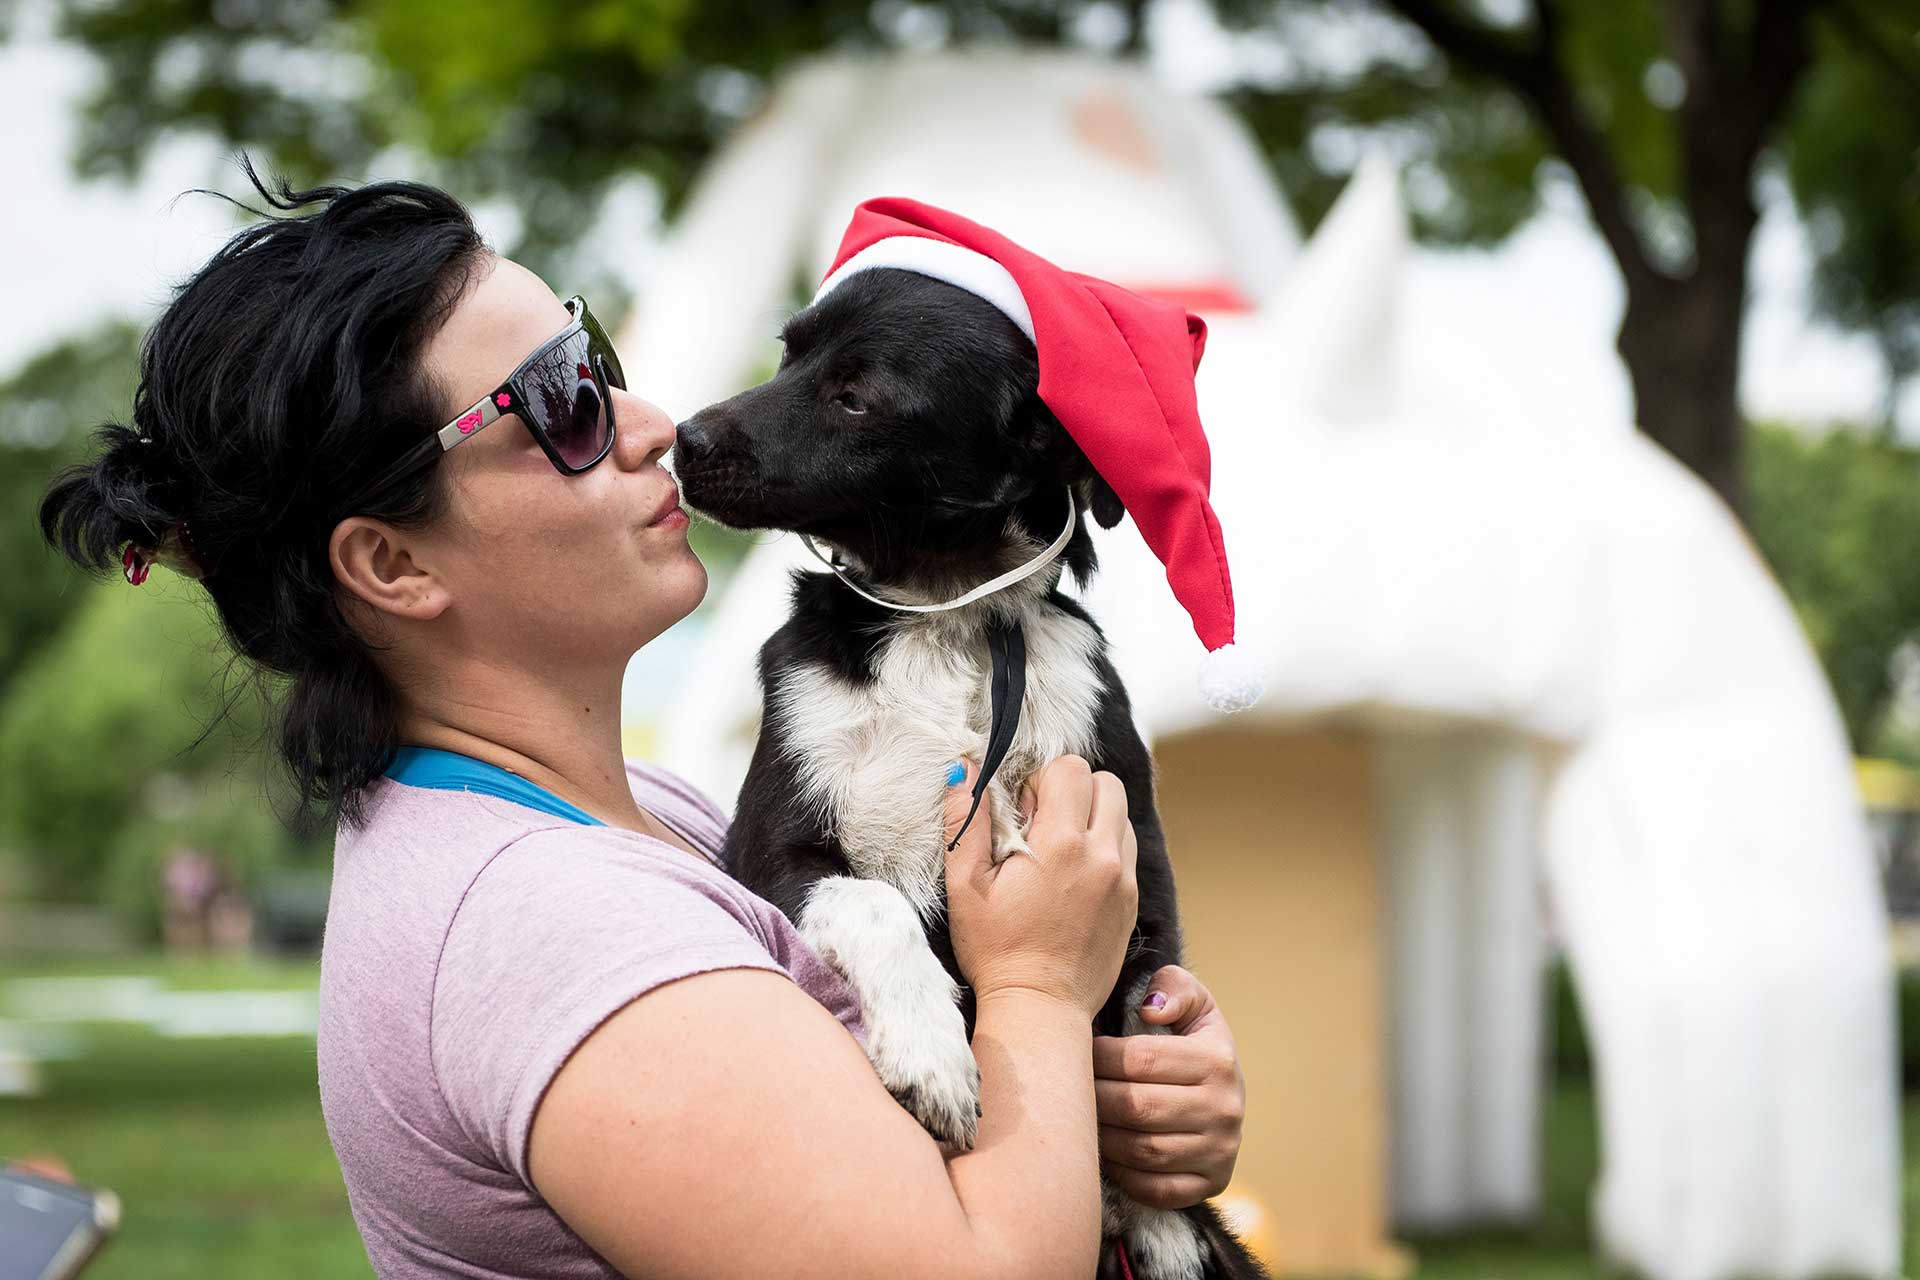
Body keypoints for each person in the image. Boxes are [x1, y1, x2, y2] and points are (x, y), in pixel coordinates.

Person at [39, 167, 1247, 1278]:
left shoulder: (626, 818)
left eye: (595, 357)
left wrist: (1132, 1100)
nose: (650, 420)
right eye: (559, 405)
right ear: (394, 563)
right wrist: (1038, 980)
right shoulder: (551, 931)